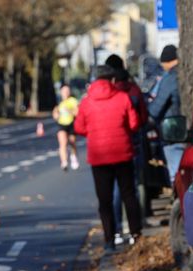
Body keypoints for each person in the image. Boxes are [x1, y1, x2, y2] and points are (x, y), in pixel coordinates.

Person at [74, 65, 141, 252]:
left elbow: (79, 127)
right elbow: (134, 123)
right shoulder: (123, 97)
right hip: (123, 152)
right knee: (128, 194)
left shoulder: (87, 102)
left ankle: (109, 239)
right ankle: (135, 234)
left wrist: (94, 132)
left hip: (99, 156)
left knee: (105, 200)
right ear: (112, 80)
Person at [105, 54, 148, 245]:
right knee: (132, 189)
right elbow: (141, 118)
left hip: (108, 148)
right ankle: (135, 230)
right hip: (133, 144)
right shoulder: (134, 91)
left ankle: (116, 231)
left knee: (113, 191)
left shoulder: (110, 93)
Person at [148, 44, 183, 185]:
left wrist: (148, 115)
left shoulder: (170, 78)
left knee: (176, 174)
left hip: (174, 131)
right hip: (186, 129)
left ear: (166, 61)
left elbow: (157, 107)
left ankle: (180, 202)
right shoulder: (183, 74)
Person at [52, 84, 80, 171]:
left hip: (71, 123)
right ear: (61, 92)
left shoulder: (73, 101)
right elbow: (55, 114)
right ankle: (64, 162)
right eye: (64, 91)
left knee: (72, 142)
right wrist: (56, 114)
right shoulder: (58, 102)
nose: (66, 93)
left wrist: (70, 111)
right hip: (62, 124)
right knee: (62, 143)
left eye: (67, 91)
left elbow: (77, 112)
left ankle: (73, 156)